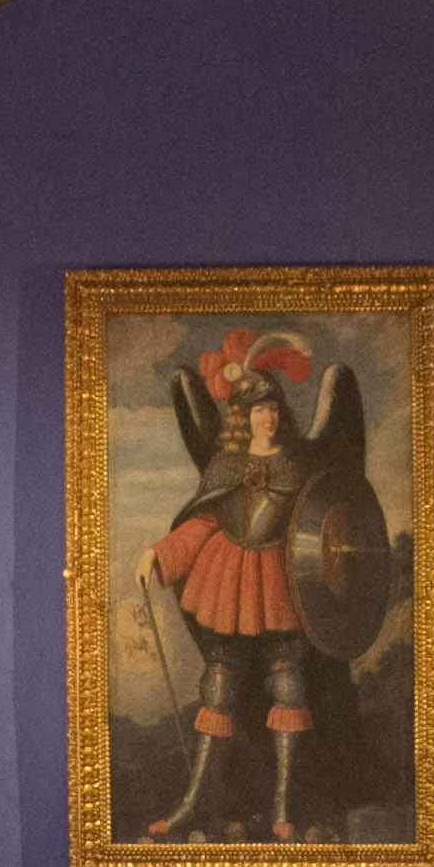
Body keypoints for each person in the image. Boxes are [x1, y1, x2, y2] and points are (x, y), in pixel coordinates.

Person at [135, 333, 326, 840]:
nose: (267, 417)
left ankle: (282, 807)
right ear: (242, 417)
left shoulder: (299, 467)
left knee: (288, 686)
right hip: (227, 578)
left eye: (273, 408)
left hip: (280, 582)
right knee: (218, 687)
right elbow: (203, 522)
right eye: (257, 410)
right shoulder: (225, 466)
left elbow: (320, 524)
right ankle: (194, 803)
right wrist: (157, 552)